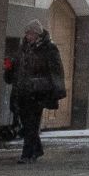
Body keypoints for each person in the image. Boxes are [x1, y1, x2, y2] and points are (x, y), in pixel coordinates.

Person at [12, 20, 64, 163]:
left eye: (29, 33)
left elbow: (55, 71)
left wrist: (45, 84)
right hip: (23, 90)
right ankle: (37, 149)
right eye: (26, 33)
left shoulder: (49, 48)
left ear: (37, 34)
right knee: (26, 122)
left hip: (38, 92)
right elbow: (18, 65)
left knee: (32, 124)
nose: (27, 36)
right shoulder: (23, 48)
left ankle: (27, 155)